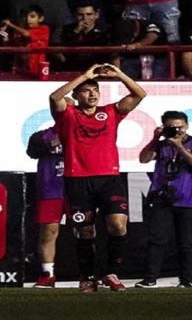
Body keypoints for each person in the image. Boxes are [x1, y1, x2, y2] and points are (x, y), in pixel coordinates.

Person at [49, 63, 147, 292]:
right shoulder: (68, 114)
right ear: (76, 95)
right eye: (86, 90)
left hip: (109, 178)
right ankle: (87, 277)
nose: (92, 94)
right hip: (78, 179)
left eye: (95, 90)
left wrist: (119, 74)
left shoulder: (111, 112)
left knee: (118, 224)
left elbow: (139, 94)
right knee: (86, 231)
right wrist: (84, 74)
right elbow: (55, 97)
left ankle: (111, 273)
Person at [135, 111, 192, 289]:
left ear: (187, 126)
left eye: (180, 127)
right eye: (172, 128)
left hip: (189, 199)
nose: (177, 131)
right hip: (162, 197)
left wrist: (180, 147)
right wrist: (155, 139)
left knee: (186, 242)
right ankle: (150, 279)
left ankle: (186, 281)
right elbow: (143, 159)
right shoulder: (161, 146)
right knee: (157, 239)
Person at [26, 126, 65, 288]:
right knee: (48, 231)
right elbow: (31, 153)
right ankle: (47, 274)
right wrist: (53, 141)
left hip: (79, 185)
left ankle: (89, 274)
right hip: (51, 188)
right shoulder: (42, 135)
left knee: (86, 230)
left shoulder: (83, 130)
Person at [1, 4, 50, 76]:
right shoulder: (20, 33)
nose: (28, 19)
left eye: (32, 16)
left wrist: (10, 24)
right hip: (20, 71)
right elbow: (7, 46)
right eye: (26, 16)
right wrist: (4, 33)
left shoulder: (44, 29)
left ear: (41, 19)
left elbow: (27, 34)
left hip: (37, 70)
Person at [58, 1, 108, 72]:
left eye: (89, 14)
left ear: (96, 15)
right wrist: (76, 31)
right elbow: (62, 50)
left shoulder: (105, 30)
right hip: (72, 68)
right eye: (80, 15)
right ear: (75, 15)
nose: (85, 18)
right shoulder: (67, 29)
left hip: (97, 69)